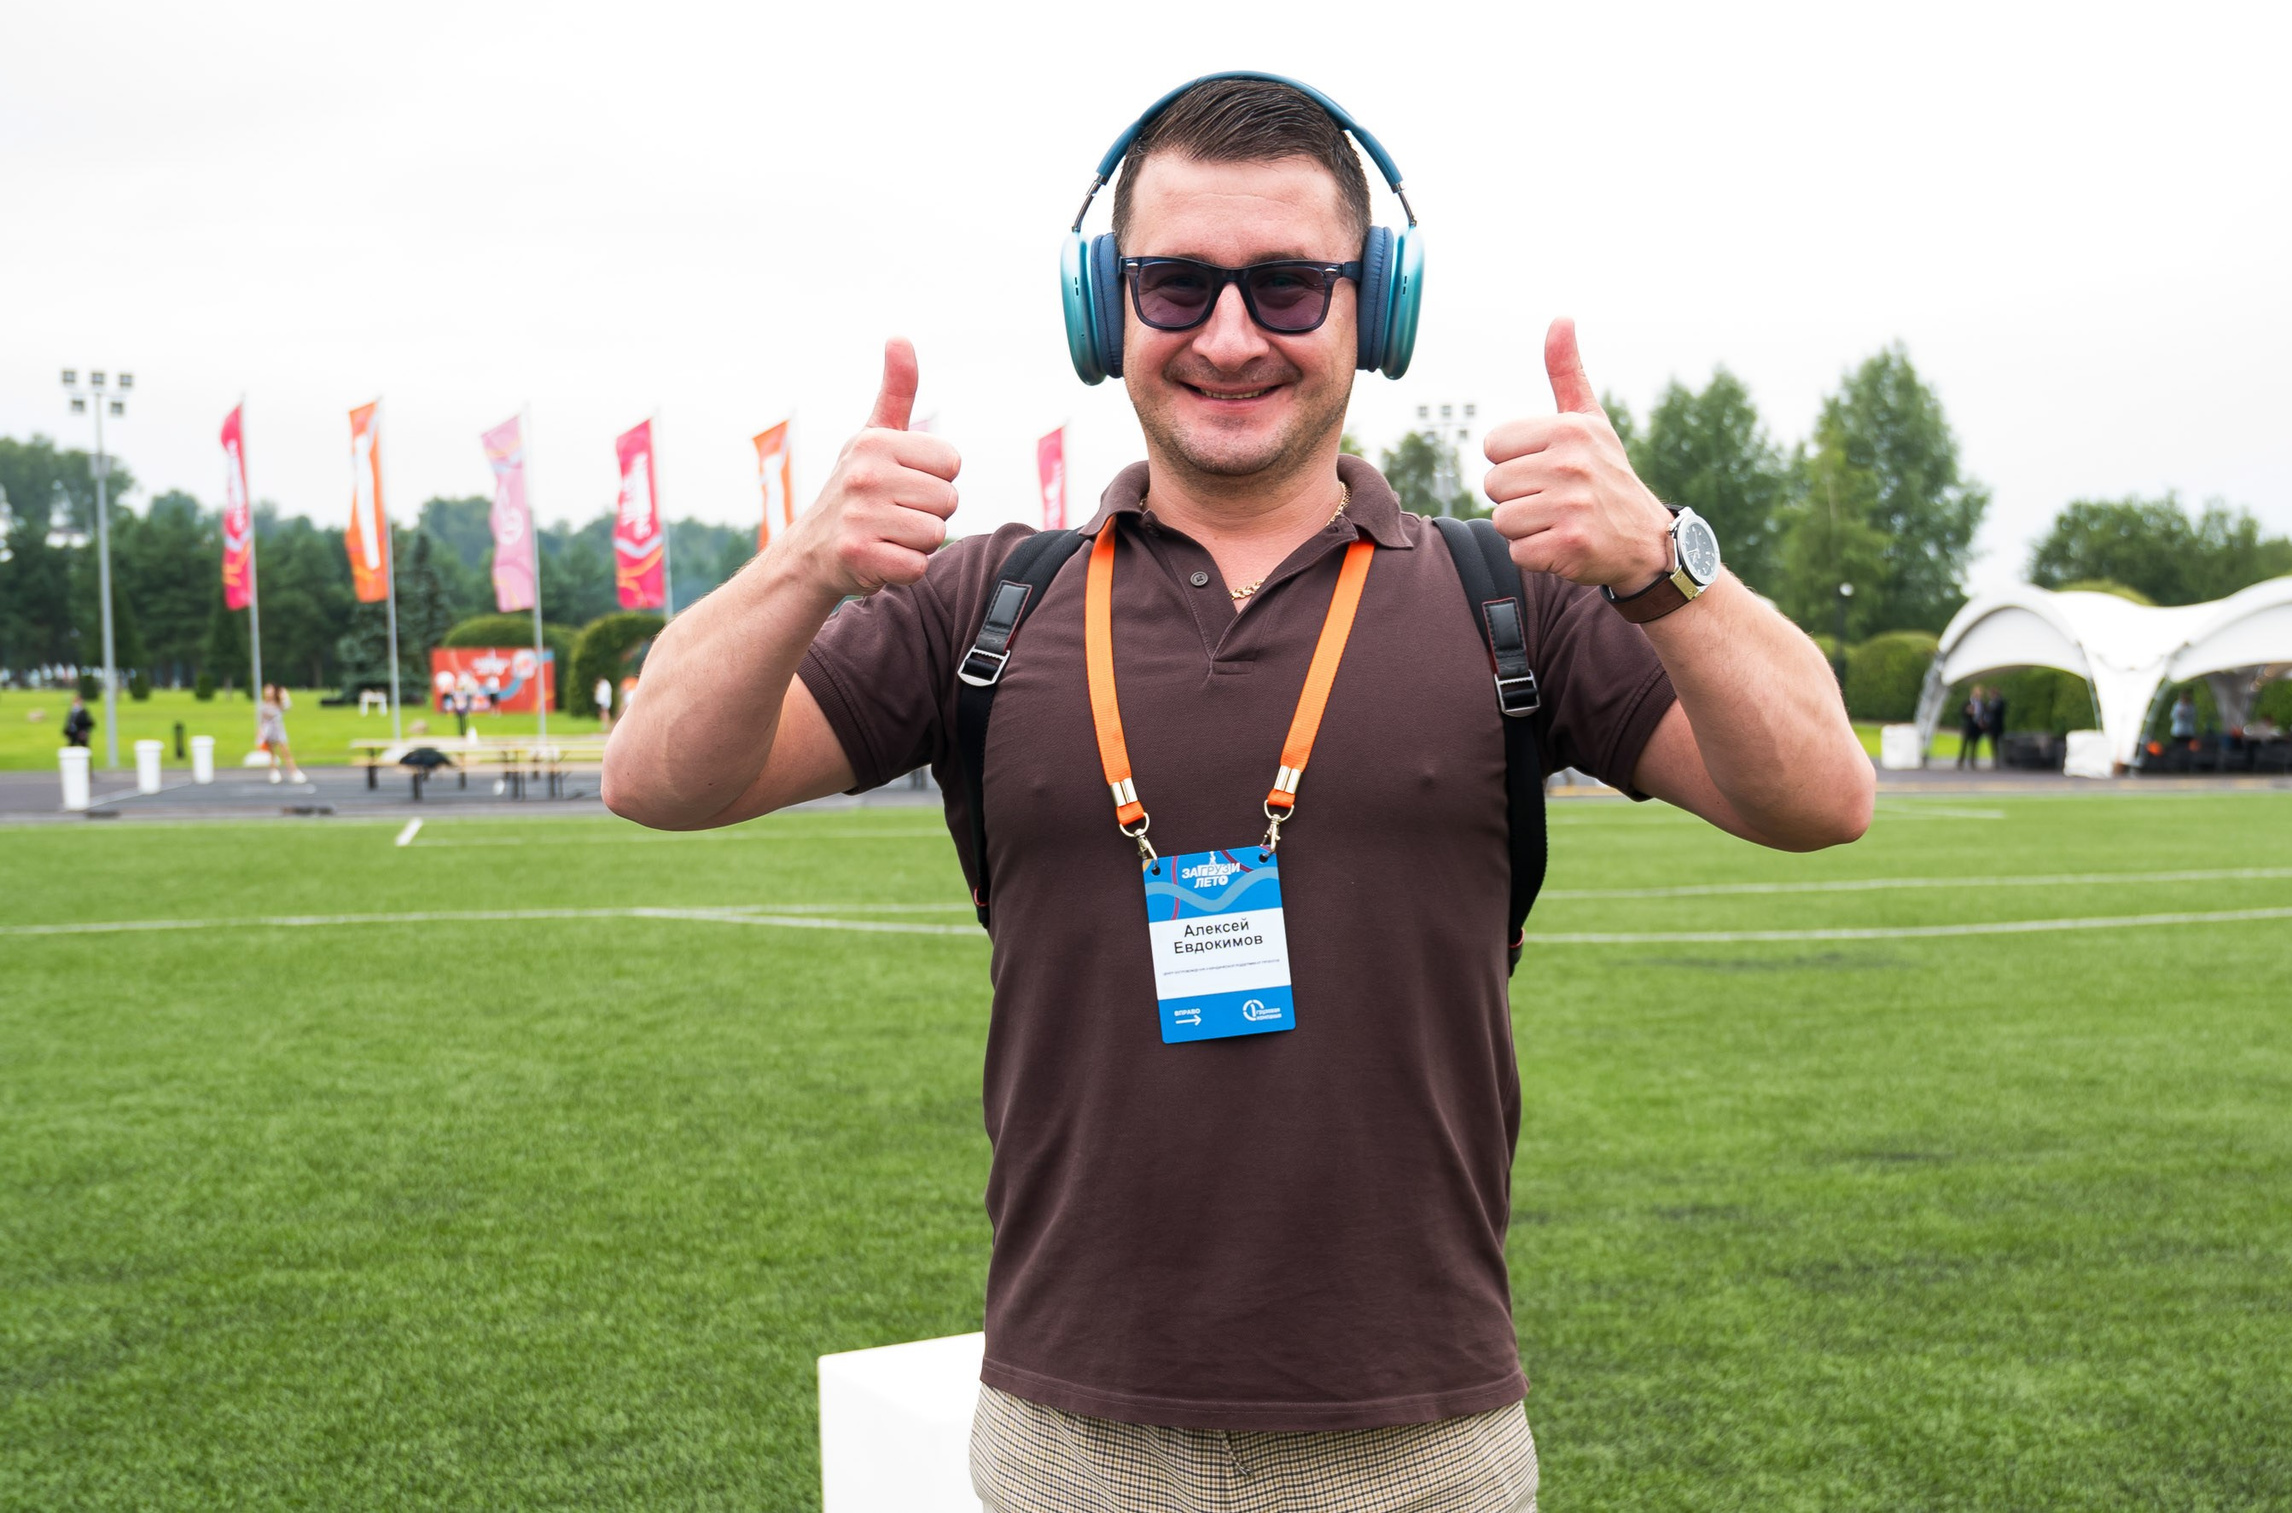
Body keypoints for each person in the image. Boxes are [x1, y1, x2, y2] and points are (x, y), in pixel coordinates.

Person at [602, 75, 1874, 1512]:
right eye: (1174, 284)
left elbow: (1822, 792)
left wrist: (1660, 560)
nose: (1226, 335)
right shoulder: (987, 602)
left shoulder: (1517, 600)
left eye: (1284, 285)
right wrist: (806, 560)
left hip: (1422, 1441)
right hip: (1064, 1435)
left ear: (1370, 309)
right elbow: (656, 775)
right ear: (1106, 308)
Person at [257, 683, 306, 785]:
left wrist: (284, 696)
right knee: (272, 753)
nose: (268, 692)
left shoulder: (278, 703)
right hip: (269, 731)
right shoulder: (264, 705)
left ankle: (294, 772)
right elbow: (262, 720)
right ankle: (274, 772)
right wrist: (260, 733)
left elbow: (287, 707)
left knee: (286, 752)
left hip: (278, 730)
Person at [1956, 684, 1986, 769]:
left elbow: (1984, 714)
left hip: (1977, 727)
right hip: (1968, 726)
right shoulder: (1968, 702)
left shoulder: (1981, 703)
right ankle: (1960, 761)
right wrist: (1968, 711)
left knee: (1975, 745)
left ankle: (1972, 762)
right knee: (1964, 745)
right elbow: (1962, 712)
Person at [1981, 685, 2007, 766]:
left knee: (1999, 744)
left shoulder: (2000, 702)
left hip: (1997, 726)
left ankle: (2000, 760)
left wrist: (1986, 708)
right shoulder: (1991, 702)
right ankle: (1995, 759)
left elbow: (1995, 711)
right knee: (1993, 743)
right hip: (1991, 726)